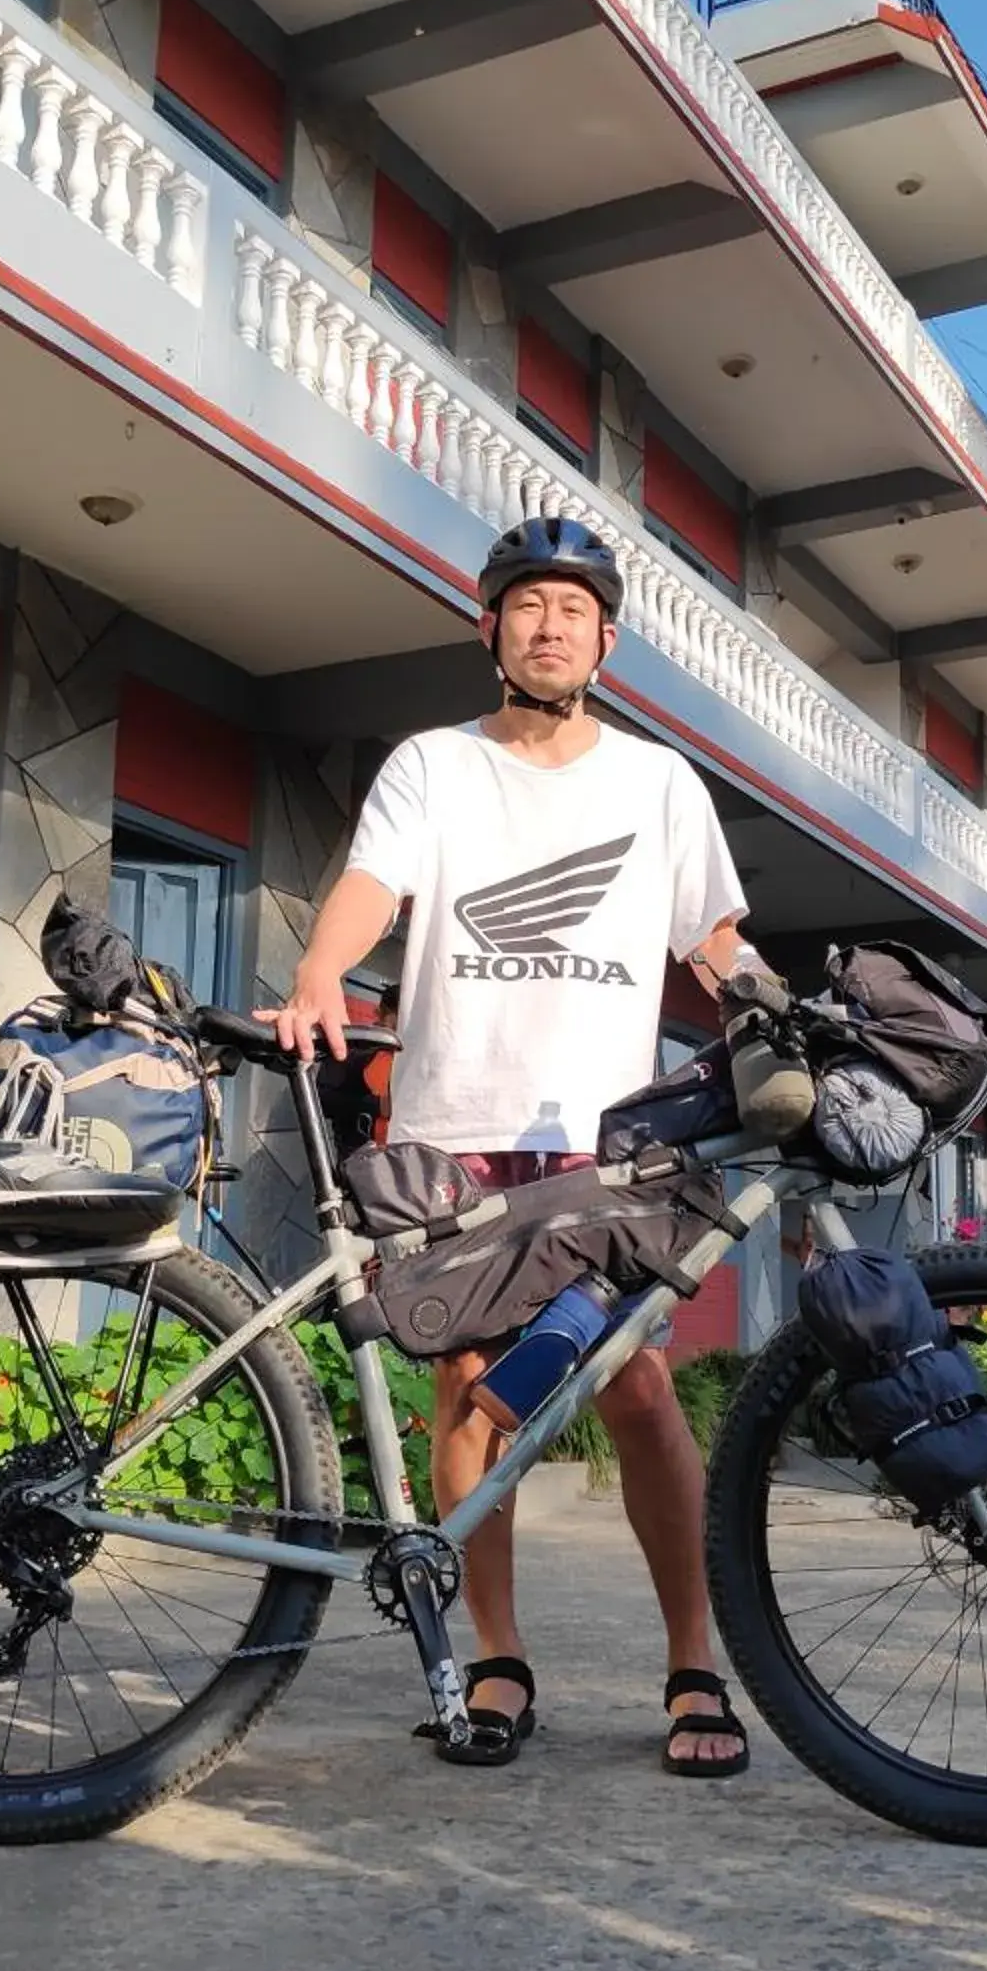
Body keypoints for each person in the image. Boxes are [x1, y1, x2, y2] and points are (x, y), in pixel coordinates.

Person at [263, 516, 762, 1779]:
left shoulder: (658, 783)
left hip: (605, 1142)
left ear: (607, 639)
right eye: (528, 605)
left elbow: (715, 940)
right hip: (454, 1129)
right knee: (465, 1387)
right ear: (492, 629)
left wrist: (781, 1013)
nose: (551, 626)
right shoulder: (433, 766)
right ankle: (495, 1652)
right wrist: (323, 968)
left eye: (575, 609)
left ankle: (693, 1659)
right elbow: (373, 885)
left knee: (636, 1387)